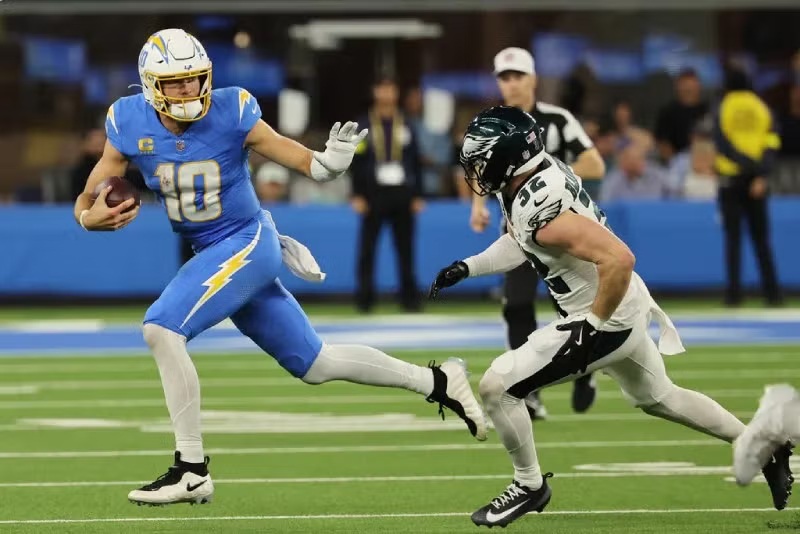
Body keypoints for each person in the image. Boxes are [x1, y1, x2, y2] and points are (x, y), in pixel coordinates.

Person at [72, 28, 486, 507]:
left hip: (247, 241)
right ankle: (438, 381)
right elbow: (90, 194)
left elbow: (306, 162)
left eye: (194, 78)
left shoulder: (233, 110)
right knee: (316, 364)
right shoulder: (127, 121)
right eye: (175, 82)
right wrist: (88, 217)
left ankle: (191, 469)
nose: (188, 89)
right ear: (151, 86)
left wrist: (332, 163)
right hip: (210, 251)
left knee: (162, 328)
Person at [429, 105, 792, 528]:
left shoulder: (539, 204)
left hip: (605, 313)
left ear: (506, 157)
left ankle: (529, 484)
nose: (474, 171)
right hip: (621, 305)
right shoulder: (526, 180)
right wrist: (469, 267)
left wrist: (592, 325)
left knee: (497, 386)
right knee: (661, 397)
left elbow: (619, 258)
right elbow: (524, 241)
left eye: (480, 160)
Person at [470, 47, 607, 419]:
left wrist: (549, 172)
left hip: (563, 231)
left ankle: (585, 371)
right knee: (516, 306)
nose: (511, 84)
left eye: (517, 76)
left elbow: (595, 163)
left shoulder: (557, 119)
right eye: (504, 77)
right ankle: (528, 392)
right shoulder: (494, 124)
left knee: (573, 309)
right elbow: (479, 168)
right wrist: (478, 207)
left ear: (532, 79)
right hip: (518, 234)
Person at [351, 77, 424, 313]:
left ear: (396, 92)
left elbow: (415, 160)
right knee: (367, 248)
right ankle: (365, 300)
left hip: (403, 192)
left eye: (391, 89)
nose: (386, 94)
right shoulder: (364, 125)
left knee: (406, 248)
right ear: (374, 92)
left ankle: (410, 299)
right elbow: (356, 161)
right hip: (373, 194)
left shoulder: (407, 123)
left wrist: (418, 194)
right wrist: (357, 194)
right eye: (382, 89)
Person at [713, 66, 782, 307]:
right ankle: (773, 295)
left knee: (733, 240)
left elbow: (722, 143)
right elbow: (773, 140)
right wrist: (759, 173)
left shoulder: (724, 106)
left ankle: (733, 296)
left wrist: (744, 165)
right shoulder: (761, 107)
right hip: (757, 183)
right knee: (762, 240)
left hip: (731, 180)